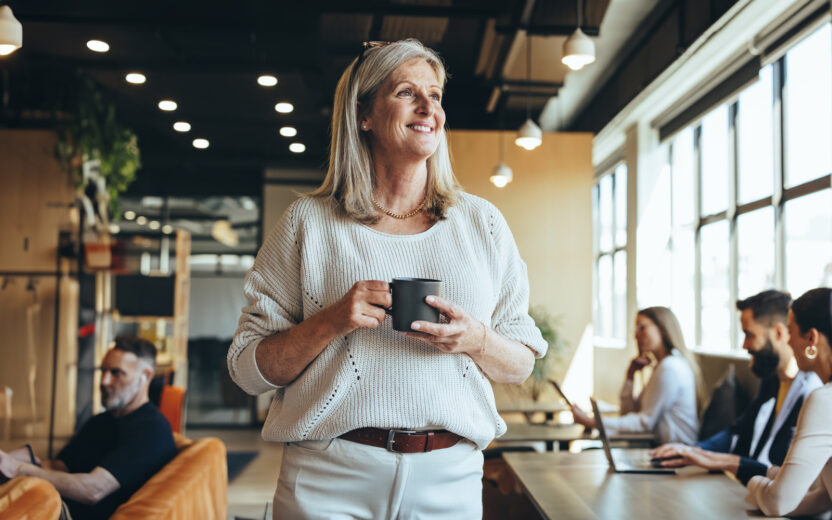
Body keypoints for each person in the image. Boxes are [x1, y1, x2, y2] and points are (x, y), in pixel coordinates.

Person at [227, 39, 546, 518]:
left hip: (450, 479)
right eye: (406, 92)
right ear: (364, 115)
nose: (428, 108)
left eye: (435, 95)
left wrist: (476, 339)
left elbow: (520, 365)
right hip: (329, 476)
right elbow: (246, 371)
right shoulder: (307, 223)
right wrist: (330, 321)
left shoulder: (483, 223)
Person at [650, 290, 822, 483]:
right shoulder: (772, 381)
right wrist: (692, 450)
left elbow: (784, 471)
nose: (744, 345)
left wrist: (722, 461)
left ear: (779, 333)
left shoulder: (813, 391)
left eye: (749, 334)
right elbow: (739, 429)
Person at [0, 336, 177, 520]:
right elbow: (61, 466)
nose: (104, 381)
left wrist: (19, 469)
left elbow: (93, 490)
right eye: (103, 371)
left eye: (116, 373)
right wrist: (28, 461)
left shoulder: (152, 429)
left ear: (145, 376)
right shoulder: (99, 422)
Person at [745, 288, 832, 516]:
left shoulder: (824, 400)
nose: (789, 341)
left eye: (791, 331)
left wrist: (754, 485)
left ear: (811, 338)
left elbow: (778, 502)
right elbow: (825, 498)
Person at [571, 306, 702, 444]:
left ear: (662, 330)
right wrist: (630, 376)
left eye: (642, 328)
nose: (636, 335)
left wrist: (592, 422)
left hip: (676, 455)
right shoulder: (661, 366)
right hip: (662, 450)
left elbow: (644, 423)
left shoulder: (670, 368)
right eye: (636, 329)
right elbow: (628, 413)